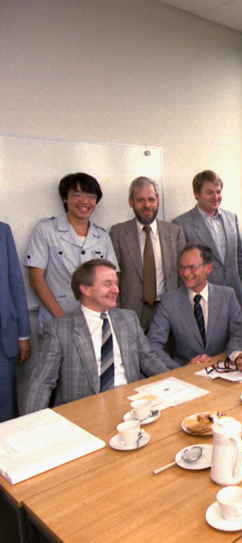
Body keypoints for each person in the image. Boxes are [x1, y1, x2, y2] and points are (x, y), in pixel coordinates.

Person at [24, 260, 168, 413]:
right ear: (86, 289)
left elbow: (148, 359)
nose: (116, 290)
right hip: (84, 412)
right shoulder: (59, 329)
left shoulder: (128, 319)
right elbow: (41, 382)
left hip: (132, 406)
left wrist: (175, 383)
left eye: (116, 283)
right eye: (107, 284)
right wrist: (31, 426)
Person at [26, 173, 118, 334]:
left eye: (91, 196)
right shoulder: (46, 230)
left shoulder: (102, 236)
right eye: (77, 194)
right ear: (65, 198)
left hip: (95, 322)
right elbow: (35, 279)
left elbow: (112, 279)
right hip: (56, 320)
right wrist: (62, 317)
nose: (85, 201)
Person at [147, 244, 242, 369]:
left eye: (192, 267)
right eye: (182, 267)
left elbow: (240, 337)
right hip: (184, 374)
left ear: (208, 268)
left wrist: (227, 362)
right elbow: (152, 344)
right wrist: (179, 370)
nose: (185, 273)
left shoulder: (227, 296)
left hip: (223, 369)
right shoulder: (169, 301)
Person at [110, 177, 186, 332]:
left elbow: (182, 275)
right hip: (131, 312)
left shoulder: (174, 232)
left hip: (166, 310)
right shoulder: (118, 233)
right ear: (131, 202)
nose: (147, 205)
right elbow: (113, 277)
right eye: (140, 200)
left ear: (158, 201)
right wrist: (115, 313)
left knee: (166, 354)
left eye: (151, 199)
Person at [172, 170, 242, 311]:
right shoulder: (181, 224)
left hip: (235, 295)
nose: (216, 197)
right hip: (203, 299)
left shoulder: (231, 218)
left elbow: (241, 256)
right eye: (209, 193)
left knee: (239, 333)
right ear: (196, 194)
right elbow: (181, 268)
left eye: (218, 191)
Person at [0, 222, 31, 421]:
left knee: (6, 407)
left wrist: (23, 334)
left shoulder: (2, 231)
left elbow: (16, 284)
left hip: (3, 338)